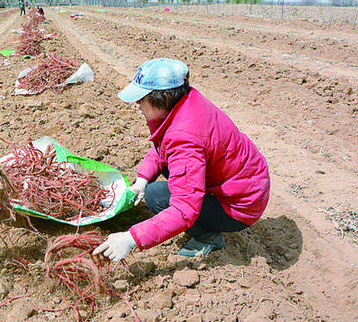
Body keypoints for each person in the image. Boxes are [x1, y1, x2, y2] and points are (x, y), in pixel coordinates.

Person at [94, 58, 270, 261]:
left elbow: (185, 208)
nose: (137, 104)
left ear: (161, 99)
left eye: (141, 98)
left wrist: (131, 239)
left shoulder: (185, 137)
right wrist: (142, 179)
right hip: (247, 185)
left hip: (240, 206)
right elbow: (165, 146)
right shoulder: (186, 102)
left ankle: (208, 239)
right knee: (158, 183)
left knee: (157, 197)